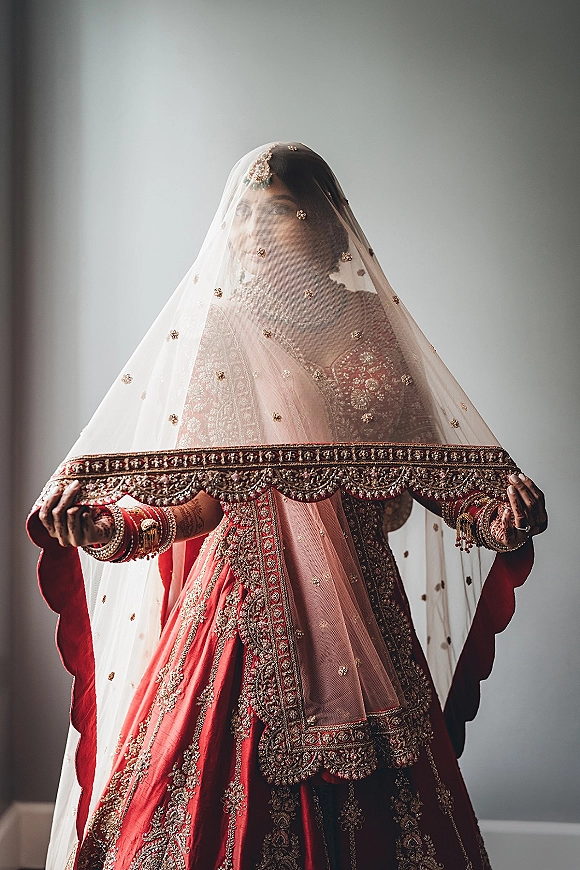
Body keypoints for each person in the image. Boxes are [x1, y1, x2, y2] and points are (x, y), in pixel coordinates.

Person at [31, 143, 547, 869]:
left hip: (361, 603)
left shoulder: (374, 327)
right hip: (241, 607)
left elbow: (420, 471)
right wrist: (115, 526)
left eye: (278, 210)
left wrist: (497, 518)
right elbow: (205, 493)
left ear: (331, 226)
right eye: (243, 215)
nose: (253, 230)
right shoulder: (223, 329)